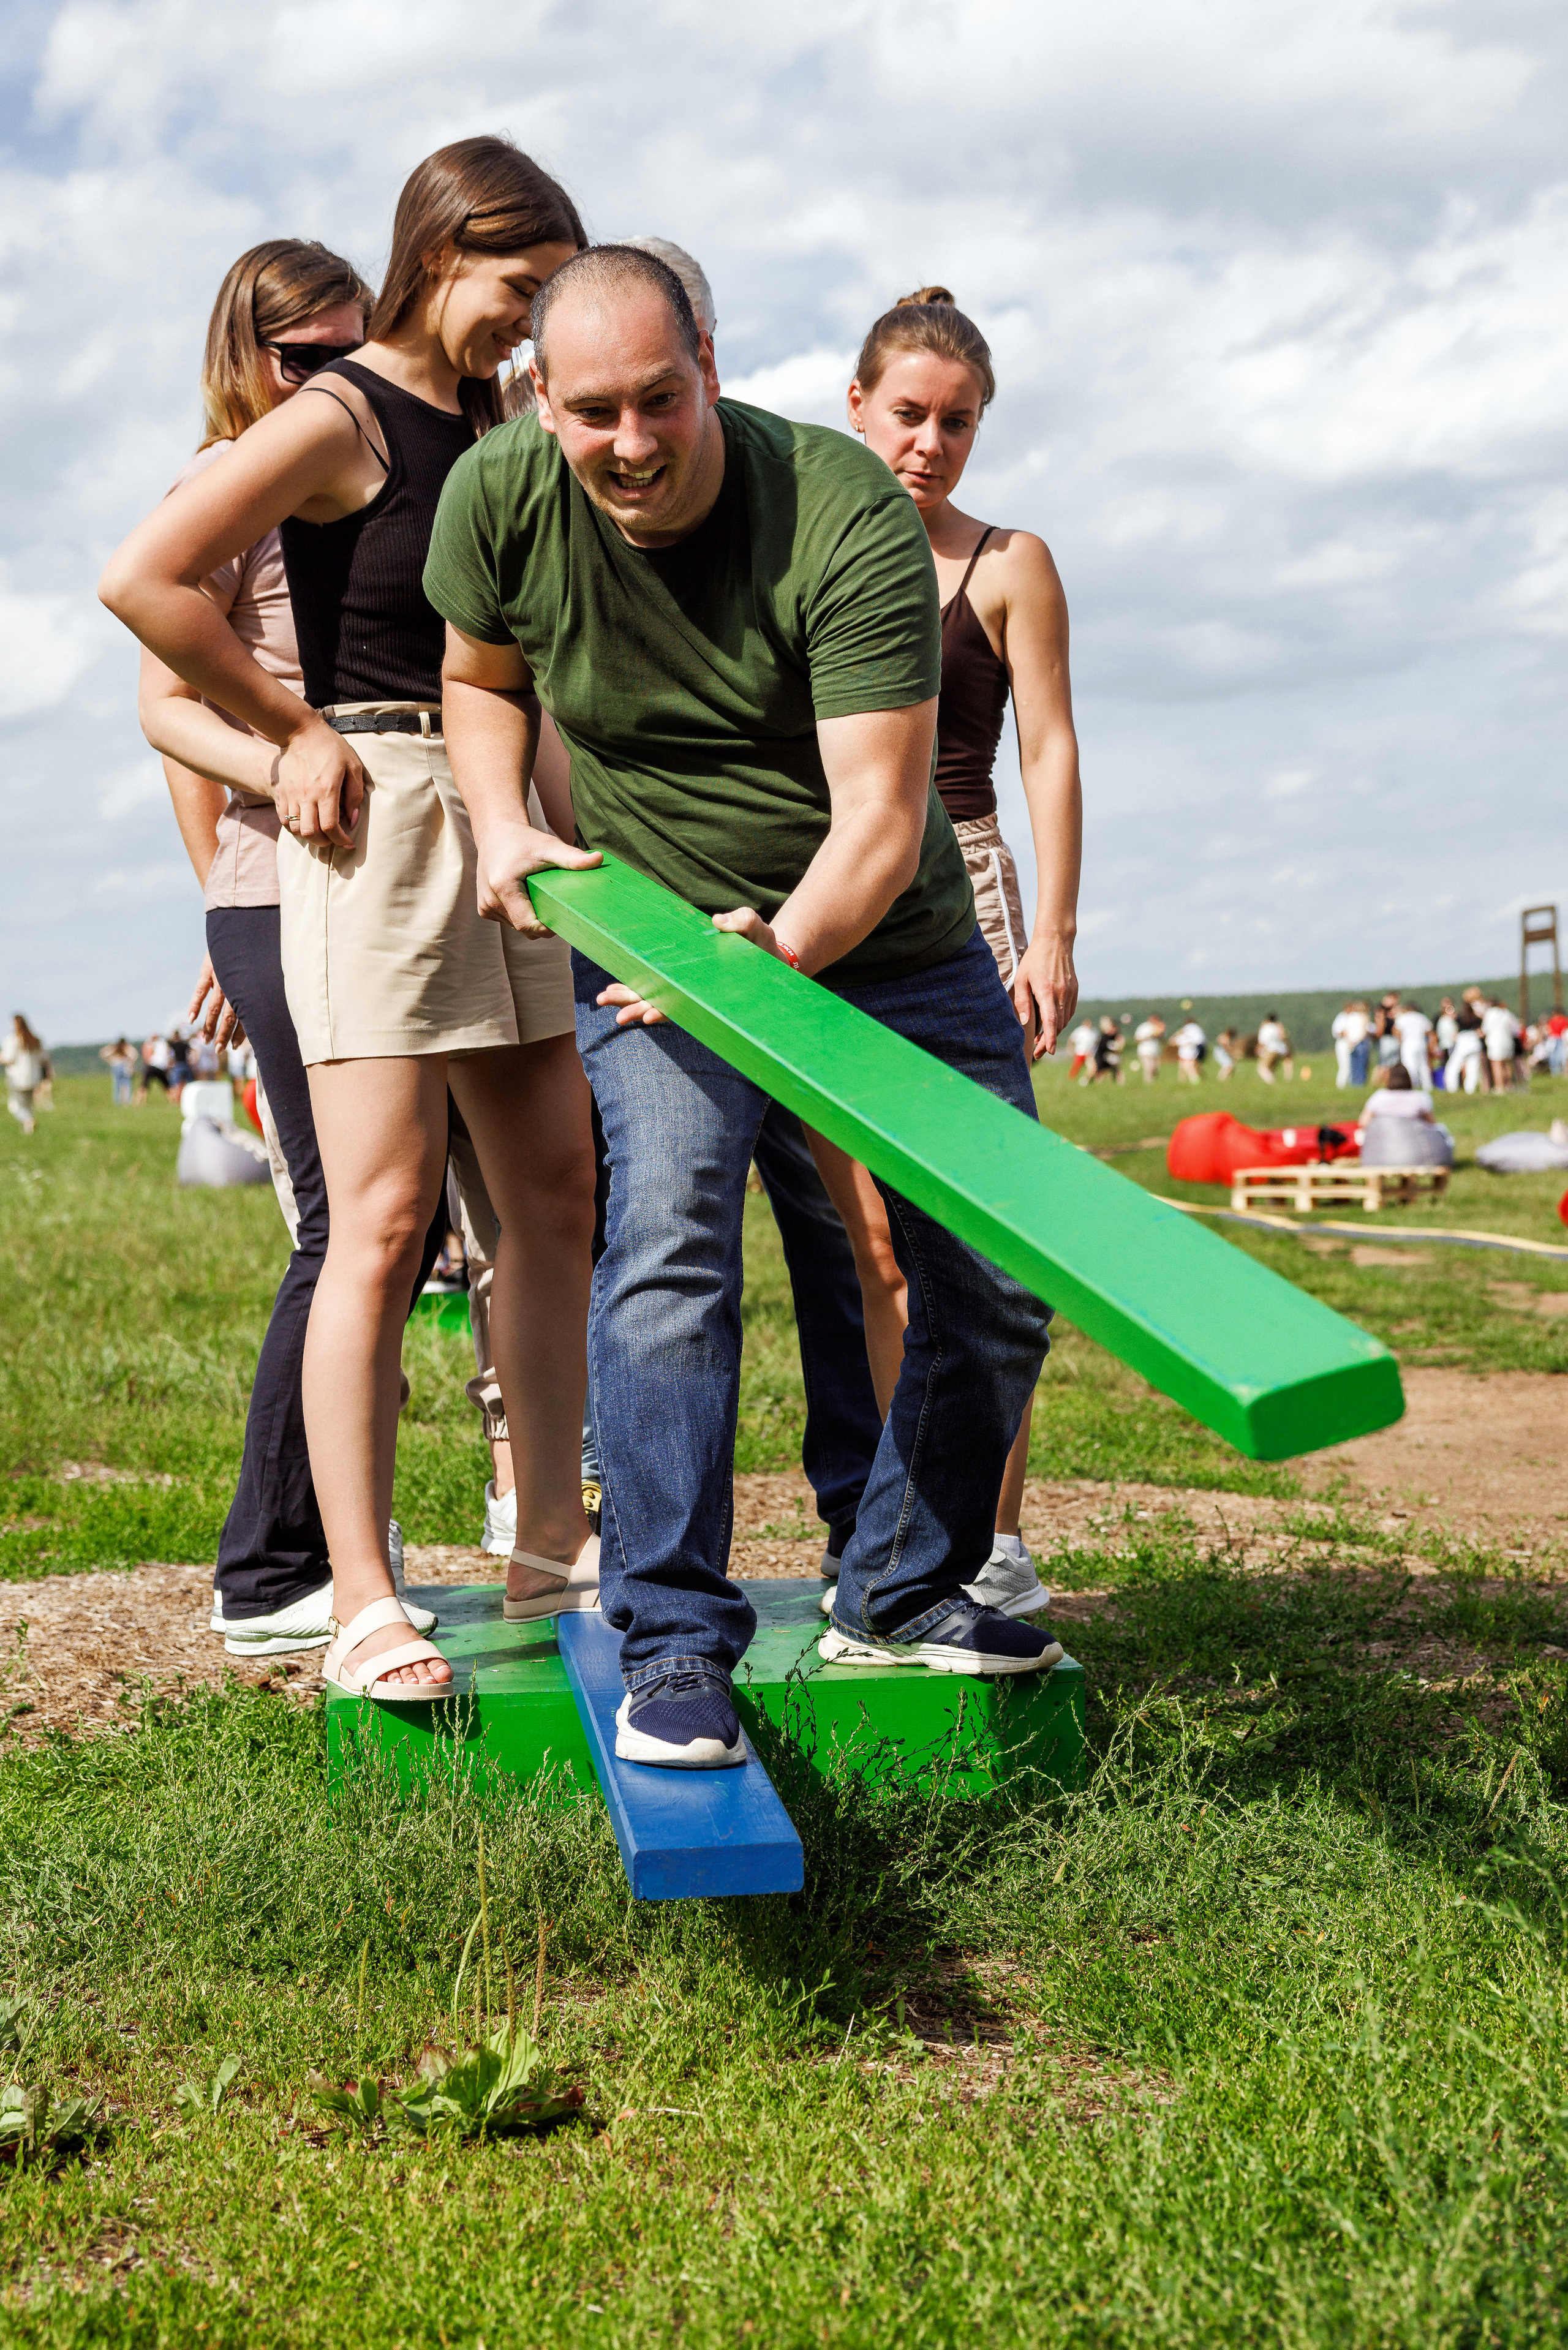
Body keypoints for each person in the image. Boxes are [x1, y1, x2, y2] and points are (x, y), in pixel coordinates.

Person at [424, 244, 1063, 1768]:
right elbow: (479, 675)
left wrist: (778, 952)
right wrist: (501, 821)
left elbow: (882, 816)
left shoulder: (838, 511)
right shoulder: (498, 495)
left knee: (994, 1268)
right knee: (669, 1241)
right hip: (656, 934)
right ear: (539, 398)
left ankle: (897, 1582)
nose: (631, 442)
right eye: (593, 411)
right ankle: (668, 1640)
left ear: (708, 366)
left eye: (660, 399)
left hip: (885, 938)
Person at [102, 138, 596, 1702]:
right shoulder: (340, 412)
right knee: (378, 1225)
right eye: (520, 286)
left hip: (506, 808)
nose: (531, 321)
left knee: (555, 1199)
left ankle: (549, 1548)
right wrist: (291, 731)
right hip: (376, 816)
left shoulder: (499, 417)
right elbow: (145, 580)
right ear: (443, 252)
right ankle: (362, 1600)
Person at [780, 284, 1080, 1613]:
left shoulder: (1008, 562)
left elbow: (1049, 748)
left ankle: (990, 1538)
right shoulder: (802, 548)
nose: (930, 443)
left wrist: (1051, 930)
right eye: (909, 413)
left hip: (964, 887)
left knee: (984, 1237)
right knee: (878, 1251)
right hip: (831, 884)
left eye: (958, 422)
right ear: (856, 406)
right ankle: (898, 1533)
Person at [1, 1017, 43, 1135]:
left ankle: (28, 1121)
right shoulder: (35, 1039)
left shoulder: (12, 1040)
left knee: (15, 1106)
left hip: (17, 1079)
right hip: (33, 1078)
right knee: (28, 1105)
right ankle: (29, 1132)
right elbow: (42, 1058)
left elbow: (9, 1059)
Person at [1482, 996, 1520, 1093]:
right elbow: (1515, 1029)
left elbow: (1485, 1029)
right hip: (1508, 1042)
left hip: (1495, 1042)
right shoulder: (1506, 1013)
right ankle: (1509, 1085)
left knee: (1497, 1065)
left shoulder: (1489, 1014)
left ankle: (1500, 1087)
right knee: (1507, 1065)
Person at [1394, 997, 1433, 1091]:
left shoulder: (1403, 1018)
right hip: (1421, 1042)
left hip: (1408, 1043)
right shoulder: (1421, 1017)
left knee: (1410, 1065)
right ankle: (1428, 1086)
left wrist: (1400, 1042)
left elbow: (1397, 1031)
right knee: (1423, 1066)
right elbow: (1430, 1032)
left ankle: (1413, 1085)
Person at [1332, 1000, 1366, 1090]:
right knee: (1345, 1066)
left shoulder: (1354, 1017)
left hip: (1353, 1043)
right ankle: (1341, 1085)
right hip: (1343, 1043)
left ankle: (1351, 1084)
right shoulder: (1341, 1017)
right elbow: (1337, 1032)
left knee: (1352, 1065)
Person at [100, 1038, 138, 1106]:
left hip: (116, 1065)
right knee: (127, 1084)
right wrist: (130, 1063)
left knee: (117, 1084)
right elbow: (135, 1055)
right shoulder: (127, 1048)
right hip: (126, 1066)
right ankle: (127, 1102)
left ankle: (117, 1101)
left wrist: (111, 1060)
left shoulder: (114, 1047)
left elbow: (103, 1053)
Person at [1256, 1012, 1292, 1083]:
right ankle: (1276, 1083)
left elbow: (1263, 1041)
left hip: (1271, 1050)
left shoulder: (1266, 1028)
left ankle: (1272, 1083)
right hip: (1281, 1050)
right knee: (1271, 1069)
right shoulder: (1278, 1027)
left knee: (1262, 1069)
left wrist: (1258, 1049)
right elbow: (1283, 1037)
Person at [1173, 1015, 1205, 1082]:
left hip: (1189, 1051)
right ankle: (1199, 1076)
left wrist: (1176, 1036)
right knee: (1194, 1064)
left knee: (1188, 1067)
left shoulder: (1186, 1029)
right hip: (1200, 1047)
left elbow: (1174, 1041)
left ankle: (1193, 1079)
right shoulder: (1197, 1027)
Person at [1133, 1012, 1165, 1081]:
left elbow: (1163, 1040)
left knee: (1155, 1069)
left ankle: (1154, 1083)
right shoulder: (1144, 1027)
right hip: (1145, 1052)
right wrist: (1149, 1036)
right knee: (1149, 1068)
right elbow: (1137, 1039)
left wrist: (1160, 1035)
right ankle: (1149, 1083)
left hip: (1156, 1052)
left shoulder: (1159, 1027)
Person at [1068, 1015, 1097, 1083]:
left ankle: (1086, 1080)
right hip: (1080, 1052)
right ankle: (1071, 1079)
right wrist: (1071, 1049)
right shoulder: (1079, 1031)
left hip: (1090, 1053)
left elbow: (1097, 1041)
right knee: (1077, 1066)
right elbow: (1072, 1040)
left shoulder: (1094, 1031)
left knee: (1092, 1068)